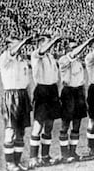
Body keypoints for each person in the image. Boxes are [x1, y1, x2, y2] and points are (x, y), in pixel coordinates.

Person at [58, 38, 94, 162]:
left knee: (77, 124)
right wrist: (86, 43)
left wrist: (84, 97)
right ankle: (64, 154)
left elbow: (81, 80)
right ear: (66, 49)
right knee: (65, 124)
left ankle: (73, 151)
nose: (75, 50)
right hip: (68, 92)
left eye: (76, 47)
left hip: (79, 92)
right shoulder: (63, 60)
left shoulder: (78, 62)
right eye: (72, 47)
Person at [29, 35, 62, 168]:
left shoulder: (51, 57)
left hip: (52, 91)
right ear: (41, 44)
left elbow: (56, 76)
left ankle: (45, 156)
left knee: (49, 125)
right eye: (48, 43)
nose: (51, 45)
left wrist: (57, 92)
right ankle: (33, 158)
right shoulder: (36, 55)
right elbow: (42, 51)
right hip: (42, 91)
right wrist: (54, 40)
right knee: (38, 125)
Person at [0, 36, 32, 171]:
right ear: (9, 46)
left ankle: (17, 162)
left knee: (21, 131)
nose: (20, 46)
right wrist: (24, 41)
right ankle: (9, 163)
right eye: (16, 43)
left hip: (23, 95)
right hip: (10, 96)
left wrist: (29, 97)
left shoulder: (22, 60)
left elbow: (27, 81)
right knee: (10, 130)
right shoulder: (4, 57)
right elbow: (13, 52)